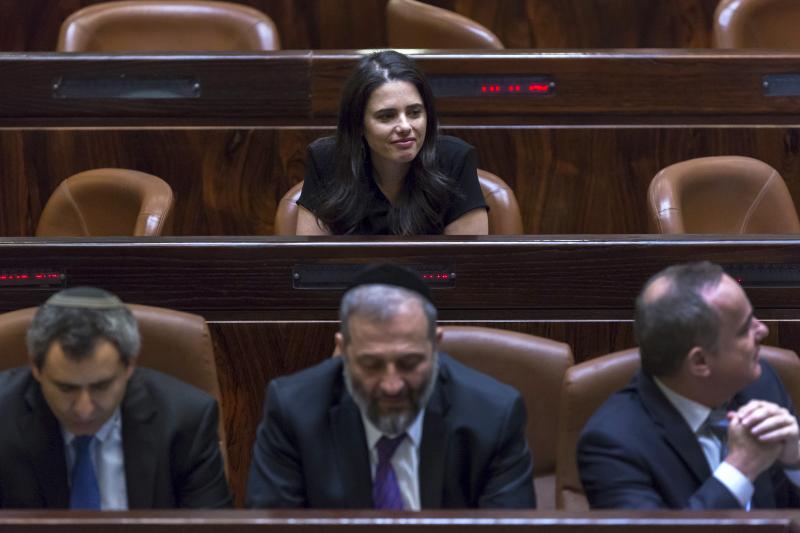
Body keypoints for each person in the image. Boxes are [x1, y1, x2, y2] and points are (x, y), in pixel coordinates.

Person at [246, 264, 534, 509]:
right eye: (371, 364)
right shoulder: (294, 411)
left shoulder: (494, 416)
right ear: (343, 350)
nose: (392, 385)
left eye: (409, 363)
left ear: (435, 346)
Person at [578, 261, 800, 509]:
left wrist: (795, 461)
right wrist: (740, 468)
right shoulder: (614, 443)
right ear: (700, 362)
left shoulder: (759, 384)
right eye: (746, 327)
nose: (763, 330)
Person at [0, 287, 231, 509]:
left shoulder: (187, 420)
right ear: (36, 368)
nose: (84, 409)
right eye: (66, 388)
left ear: (129, 366)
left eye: (101, 386)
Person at [296, 50, 489, 236]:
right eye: (387, 116)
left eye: (414, 113)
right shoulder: (326, 160)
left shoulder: (454, 160)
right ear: (358, 124)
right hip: (349, 271)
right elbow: (313, 264)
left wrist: (430, 273)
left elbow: (464, 265)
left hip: (431, 272)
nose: (405, 126)